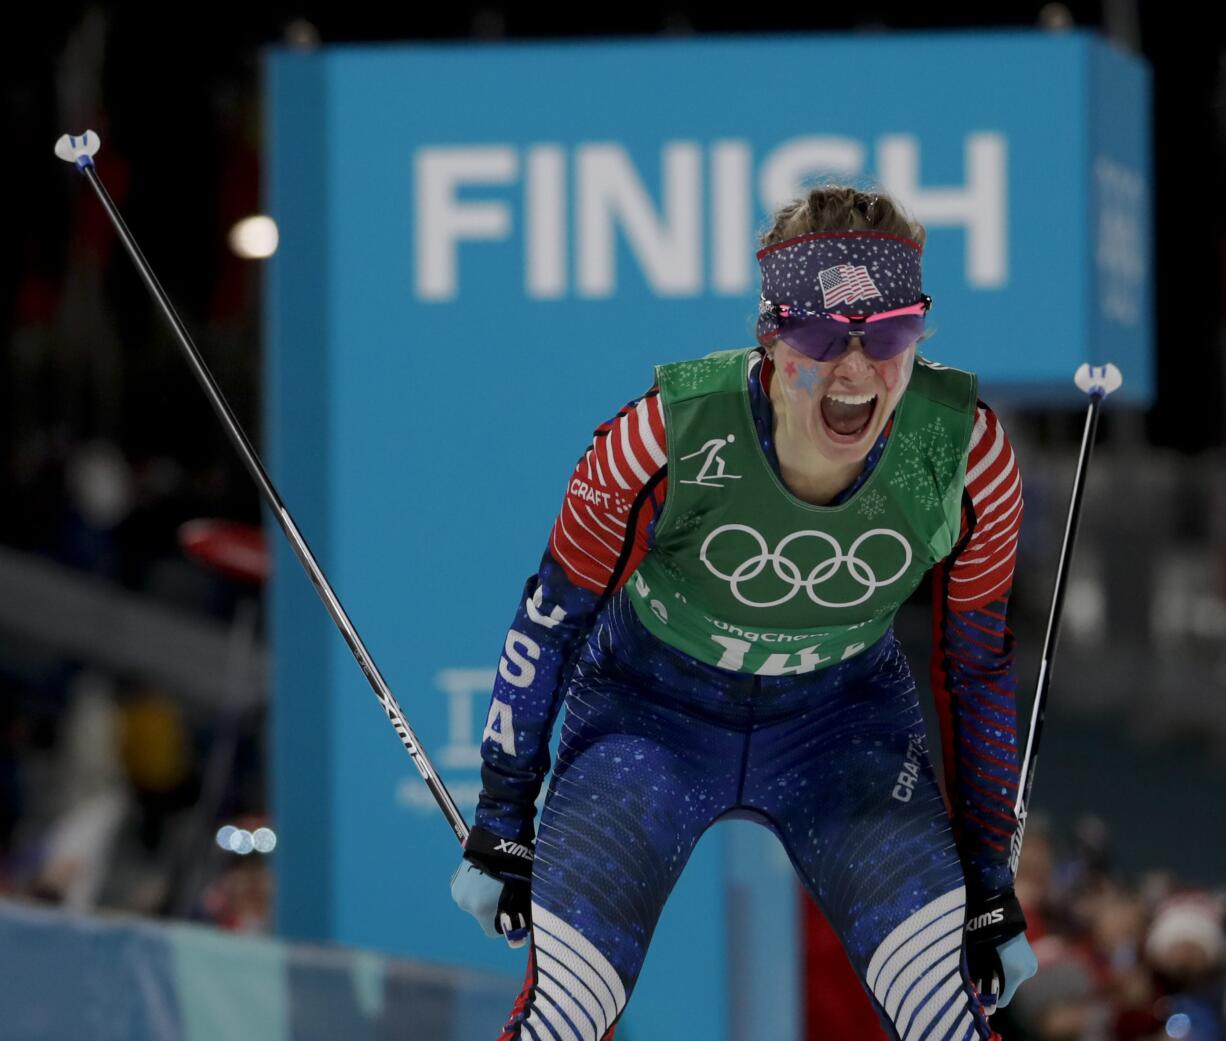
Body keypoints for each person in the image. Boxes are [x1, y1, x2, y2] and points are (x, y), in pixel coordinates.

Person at [450, 183, 1038, 1041]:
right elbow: (551, 616)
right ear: (770, 334)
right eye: (820, 335)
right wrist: (502, 817)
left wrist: (991, 883)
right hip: (648, 723)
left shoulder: (967, 456)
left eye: (888, 335)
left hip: (843, 733)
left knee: (947, 1020)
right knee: (562, 1022)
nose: (854, 367)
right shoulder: (665, 437)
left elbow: (977, 667)